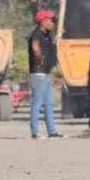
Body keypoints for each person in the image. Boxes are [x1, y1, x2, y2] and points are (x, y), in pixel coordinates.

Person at [28, 10, 61, 140]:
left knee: (49, 103)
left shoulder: (48, 35)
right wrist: (39, 59)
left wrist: (50, 71)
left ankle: (52, 132)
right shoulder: (36, 34)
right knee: (37, 103)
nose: (52, 22)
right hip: (38, 74)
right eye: (50, 20)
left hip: (46, 74)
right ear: (42, 21)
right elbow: (35, 47)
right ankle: (35, 132)